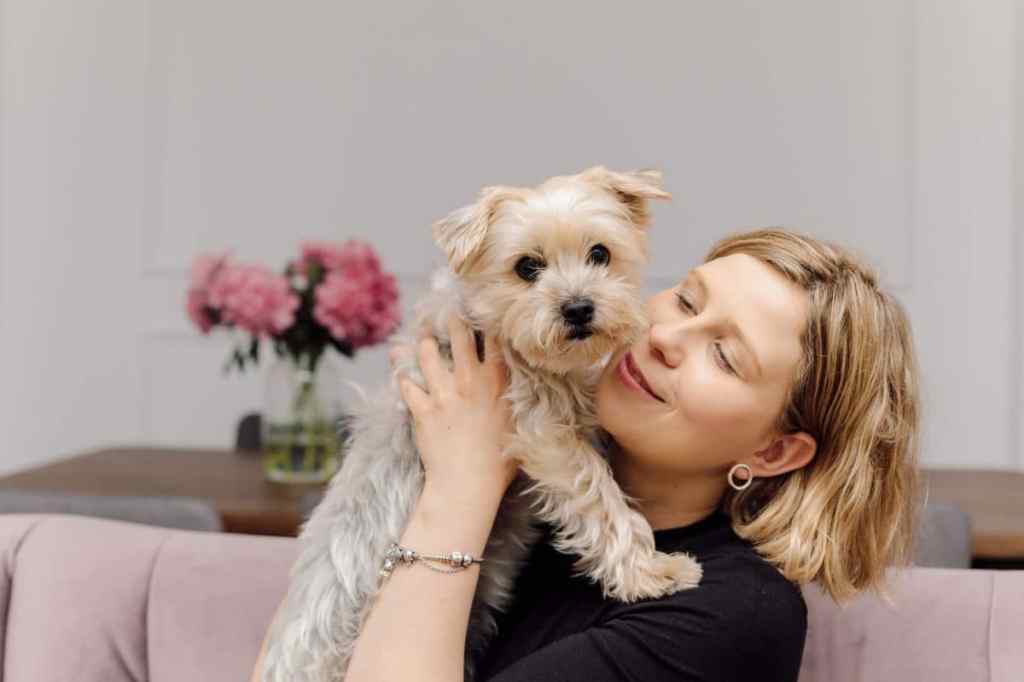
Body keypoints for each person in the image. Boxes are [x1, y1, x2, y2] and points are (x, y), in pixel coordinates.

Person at [250, 227, 923, 682]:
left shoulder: (733, 615)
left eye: (723, 354)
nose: (666, 335)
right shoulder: (537, 478)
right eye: (685, 298)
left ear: (775, 450)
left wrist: (461, 486)